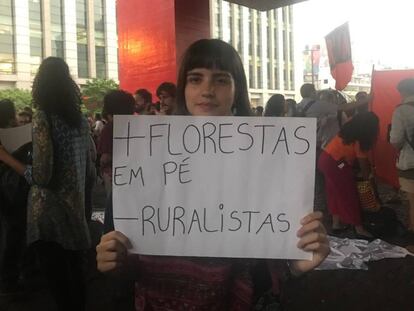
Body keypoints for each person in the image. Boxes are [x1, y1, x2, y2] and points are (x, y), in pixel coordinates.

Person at [96, 39, 329, 310]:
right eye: (195, 79)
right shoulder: (143, 156)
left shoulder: (271, 162)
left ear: (236, 90)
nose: (207, 90)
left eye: (220, 80)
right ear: (183, 88)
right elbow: (124, 254)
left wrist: (296, 264)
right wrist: (113, 263)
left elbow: (269, 265)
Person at [0, 57, 92, 310]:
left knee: (59, 282)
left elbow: (41, 176)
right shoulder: (82, 122)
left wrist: (6, 157)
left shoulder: (43, 118)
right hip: (75, 214)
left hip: (48, 215)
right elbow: (89, 169)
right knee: (76, 277)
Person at [318, 112, 379, 237]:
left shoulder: (347, 132)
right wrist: (368, 180)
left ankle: (336, 223)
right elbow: (363, 164)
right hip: (337, 165)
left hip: (325, 159)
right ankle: (359, 228)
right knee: (349, 195)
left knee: (333, 192)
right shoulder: (360, 140)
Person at [97, 90, 135, 231]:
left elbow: (105, 157)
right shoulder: (136, 124)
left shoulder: (110, 127)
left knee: (113, 211)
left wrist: (102, 163)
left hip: (114, 176)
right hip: (135, 175)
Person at [390, 78, 414, 234]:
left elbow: (396, 140)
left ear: (403, 92)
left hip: (410, 163)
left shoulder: (402, 110)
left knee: (412, 202)